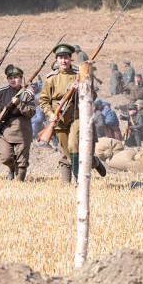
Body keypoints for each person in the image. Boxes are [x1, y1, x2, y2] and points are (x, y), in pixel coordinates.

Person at [38, 43, 106, 183]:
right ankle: (93, 162)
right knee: (67, 153)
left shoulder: (80, 75)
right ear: (56, 60)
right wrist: (50, 114)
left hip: (77, 116)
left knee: (73, 145)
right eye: (60, 58)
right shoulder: (51, 79)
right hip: (59, 119)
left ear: (71, 59)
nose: (63, 61)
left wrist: (81, 87)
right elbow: (44, 101)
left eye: (66, 57)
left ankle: (79, 182)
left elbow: (92, 97)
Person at [0, 64, 36, 181]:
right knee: (6, 157)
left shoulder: (27, 94)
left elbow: (31, 112)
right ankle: (11, 169)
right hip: (6, 130)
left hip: (23, 130)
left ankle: (19, 183)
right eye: (10, 78)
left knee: (22, 162)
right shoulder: (1, 92)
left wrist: (19, 103)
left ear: (21, 78)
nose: (13, 80)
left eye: (16, 77)